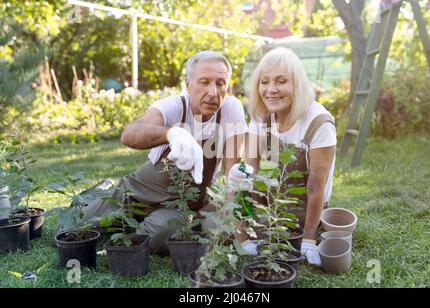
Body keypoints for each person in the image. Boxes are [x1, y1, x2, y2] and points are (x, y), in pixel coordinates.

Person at [75, 51, 248, 254]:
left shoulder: (230, 110)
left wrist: (241, 237)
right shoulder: (174, 106)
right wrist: (172, 133)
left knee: (167, 233)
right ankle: (96, 195)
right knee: (74, 230)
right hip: (139, 192)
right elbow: (129, 134)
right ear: (188, 84)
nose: (212, 92)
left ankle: (131, 233)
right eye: (204, 82)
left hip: (180, 205)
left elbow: (232, 181)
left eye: (220, 83)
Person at [228, 47, 336, 266]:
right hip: (272, 198)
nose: (271, 90)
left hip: (304, 207)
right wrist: (242, 236)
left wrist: (308, 240)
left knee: (285, 243)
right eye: (264, 81)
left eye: (280, 81)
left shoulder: (318, 122)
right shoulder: (262, 115)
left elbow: (316, 188)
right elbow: (249, 168)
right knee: (239, 182)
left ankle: (300, 235)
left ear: (297, 84)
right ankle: (245, 239)